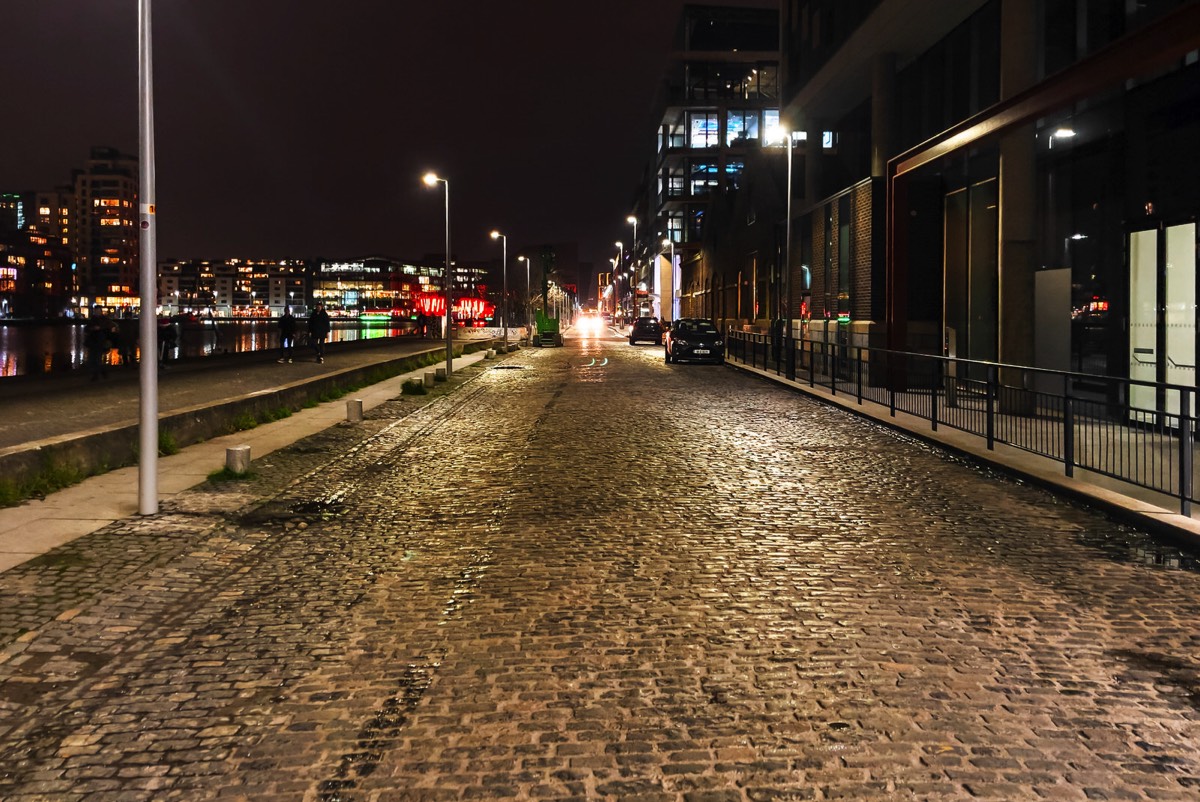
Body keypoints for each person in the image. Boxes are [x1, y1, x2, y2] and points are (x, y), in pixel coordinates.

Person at [84, 306, 115, 381]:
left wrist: (101, 329)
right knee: (91, 359)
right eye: (96, 311)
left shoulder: (105, 320)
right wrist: (92, 329)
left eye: (98, 311)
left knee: (97, 359)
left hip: (101, 342)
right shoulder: (92, 319)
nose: (97, 312)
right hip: (92, 342)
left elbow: (111, 328)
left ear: (101, 311)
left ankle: (96, 375)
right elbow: (86, 328)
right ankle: (101, 372)